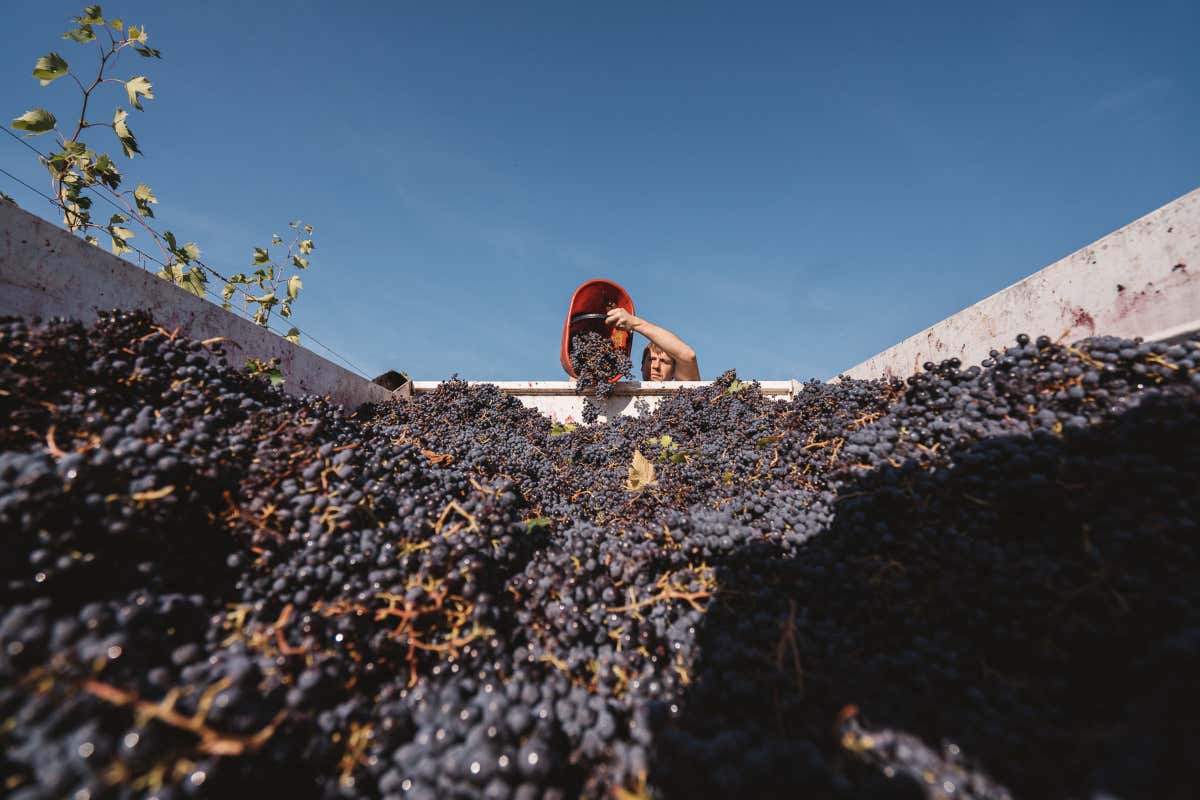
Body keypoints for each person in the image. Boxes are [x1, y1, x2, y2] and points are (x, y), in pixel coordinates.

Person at [605, 308, 700, 381]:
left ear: (674, 372)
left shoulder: (683, 397)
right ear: (642, 366)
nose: (656, 366)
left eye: (664, 361)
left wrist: (634, 323)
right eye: (651, 359)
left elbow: (688, 356)